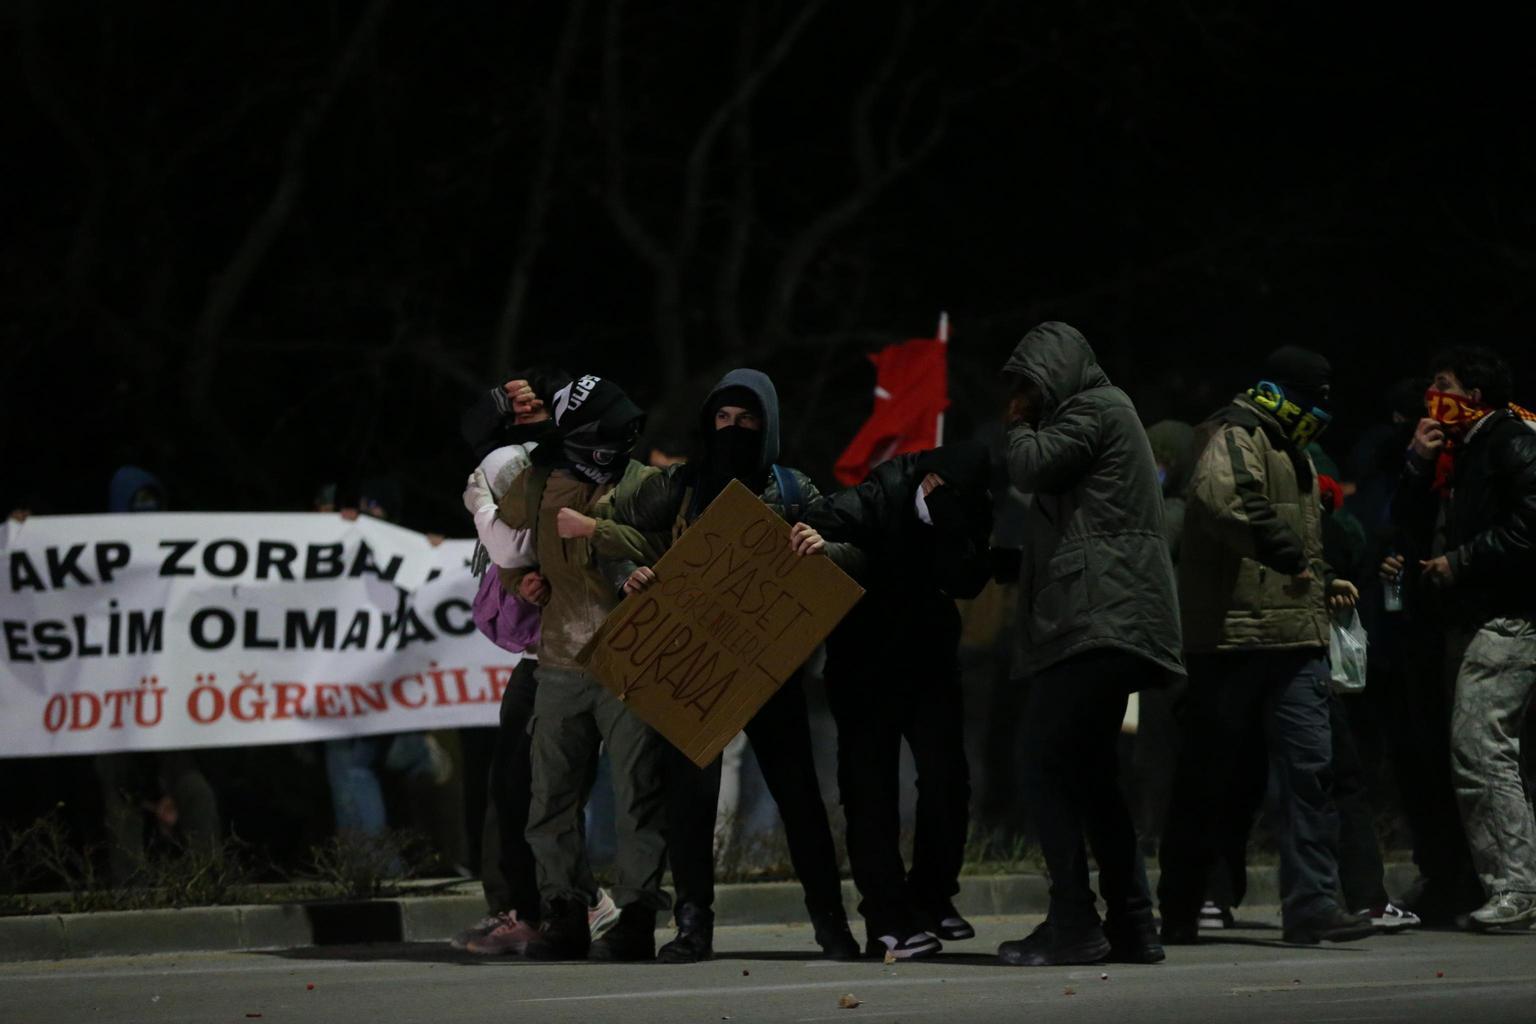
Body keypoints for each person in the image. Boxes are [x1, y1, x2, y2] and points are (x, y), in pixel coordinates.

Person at [578, 369, 861, 962]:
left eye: (746, 419)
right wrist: (625, 573)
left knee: (799, 798)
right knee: (690, 802)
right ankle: (693, 926)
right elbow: (606, 530)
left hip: (770, 671)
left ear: (768, 424)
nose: (732, 430)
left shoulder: (792, 489)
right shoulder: (680, 485)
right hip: (694, 670)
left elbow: (853, 545)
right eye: (722, 419)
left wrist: (822, 546)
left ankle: (832, 925)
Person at [1158, 346, 1372, 946]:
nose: (1322, 406)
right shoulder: (1235, 432)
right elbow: (1227, 503)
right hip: (1233, 637)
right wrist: (1291, 556)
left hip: (1296, 636)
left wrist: (1321, 580)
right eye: (1315, 392)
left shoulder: (1290, 445)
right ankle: (1181, 904)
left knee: (1311, 773)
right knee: (1209, 779)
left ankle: (1312, 905)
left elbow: (1295, 534)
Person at [994, 322, 1184, 967]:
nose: (1022, 396)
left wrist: (1019, 422)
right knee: (1094, 774)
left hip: (1099, 620)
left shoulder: (1095, 408)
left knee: (1040, 760)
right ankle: (1133, 923)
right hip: (1112, 615)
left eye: (1028, 383)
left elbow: (1030, 465)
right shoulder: (1106, 412)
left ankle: (1074, 920)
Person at [493, 371, 670, 961]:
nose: (616, 444)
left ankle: (638, 914)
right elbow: (502, 548)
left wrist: (599, 531)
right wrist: (522, 581)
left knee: (638, 794)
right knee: (551, 798)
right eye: (605, 432)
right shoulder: (537, 482)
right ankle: (564, 910)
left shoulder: (644, 482)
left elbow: (674, 550)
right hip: (561, 663)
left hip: (628, 664)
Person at [803, 441, 993, 959]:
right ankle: (886, 918)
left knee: (947, 781)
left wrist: (960, 540)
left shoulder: (969, 505)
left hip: (928, 663)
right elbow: (813, 528)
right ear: (931, 485)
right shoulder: (873, 498)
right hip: (864, 666)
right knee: (869, 790)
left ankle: (930, 896)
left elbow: (966, 578)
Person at [449, 433, 619, 954]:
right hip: (539, 661)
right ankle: (541, 908)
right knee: (513, 785)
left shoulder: (562, 490)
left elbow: (509, 543)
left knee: (549, 792)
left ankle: (582, 902)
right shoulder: (539, 475)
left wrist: (482, 506)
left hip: (570, 661)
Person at [1391, 346, 1536, 930]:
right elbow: (1403, 524)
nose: (1432, 394)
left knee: (1480, 747)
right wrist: (1417, 465)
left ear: (1473, 395)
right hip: (1481, 618)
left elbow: (1532, 522)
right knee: (1492, 751)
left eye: (1443, 383)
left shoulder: (1509, 440)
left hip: (1513, 616)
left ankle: (1515, 887)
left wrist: (1462, 560)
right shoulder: (1458, 452)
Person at [94, 466, 222, 884]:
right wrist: (21, 539)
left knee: (188, 783)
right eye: (137, 506)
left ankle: (209, 876)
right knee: (121, 791)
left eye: (153, 505)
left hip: (166, 691)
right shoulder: (92, 552)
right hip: (108, 696)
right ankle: (130, 889)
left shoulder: (175, 550)